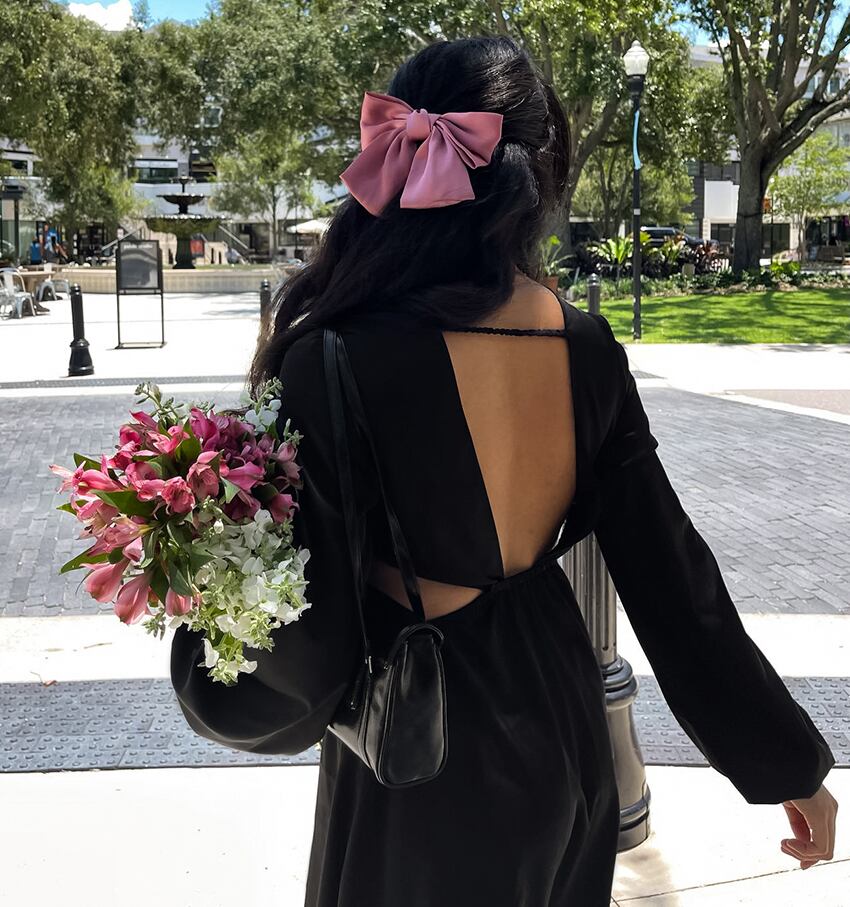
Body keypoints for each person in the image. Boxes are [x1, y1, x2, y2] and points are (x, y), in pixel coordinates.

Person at [170, 36, 837, 906]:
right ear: (534, 176)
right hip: (563, 725)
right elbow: (674, 579)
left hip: (421, 750)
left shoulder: (331, 355)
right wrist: (786, 761)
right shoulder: (585, 347)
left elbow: (305, 628)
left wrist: (202, 629)